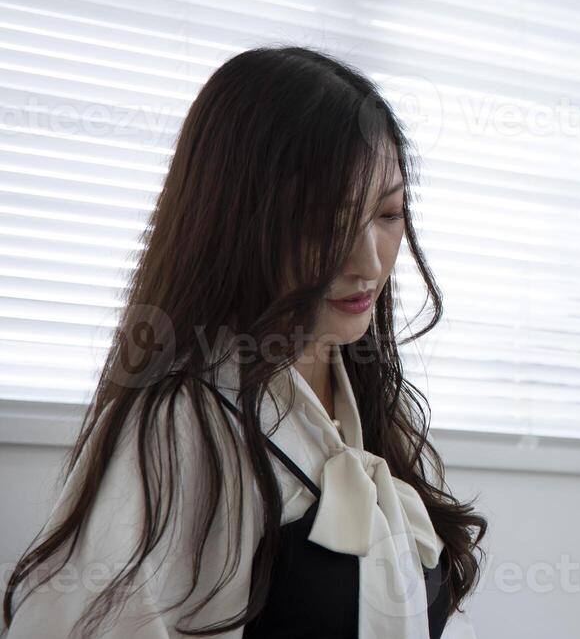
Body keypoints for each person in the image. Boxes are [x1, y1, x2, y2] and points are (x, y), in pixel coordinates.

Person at [2, 45, 486, 638]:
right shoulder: (182, 424)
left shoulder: (376, 402)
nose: (368, 262)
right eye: (326, 220)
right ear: (237, 218)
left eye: (388, 214)